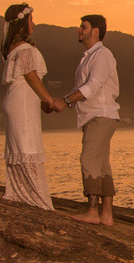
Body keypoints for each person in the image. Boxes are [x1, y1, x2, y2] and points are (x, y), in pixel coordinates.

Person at [51, 15, 120, 225]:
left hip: (101, 114)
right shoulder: (89, 57)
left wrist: (65, 101)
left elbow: (93, 86)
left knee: (88, 161)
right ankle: (106, 214)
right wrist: (60, 102)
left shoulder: (102, 55)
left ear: (95, 31)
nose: (79, 30)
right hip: (96, 116)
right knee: (101, 165)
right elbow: (80, 88)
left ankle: (92, 212)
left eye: (83, 26)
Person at [1, 3, 58, 210]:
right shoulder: (24, 49)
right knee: (28, 147)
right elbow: (31, 76)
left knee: (21, 147)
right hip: (22, 103)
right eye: (31, 19)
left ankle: (22, 193)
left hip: (17, 100)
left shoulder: (13, 48)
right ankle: (38, 201)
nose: (34, 23)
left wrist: (42, 101)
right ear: (23, 24)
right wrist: (48, 99)